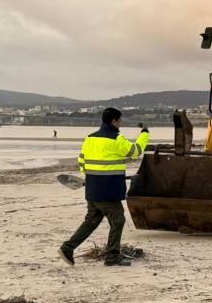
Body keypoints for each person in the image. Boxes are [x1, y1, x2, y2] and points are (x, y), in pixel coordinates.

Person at [58, 108, 149, 267]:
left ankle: (67, 248)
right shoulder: (116, 139)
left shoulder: (90, 138)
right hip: (108, 191)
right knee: (118, 220)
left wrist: (94, 177)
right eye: (119, 120)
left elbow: (82, 162)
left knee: (91, 221)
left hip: (92, 189)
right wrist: (145, 133)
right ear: (114, 121)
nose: (120, 123)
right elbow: (136, 151)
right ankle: (112, 256)